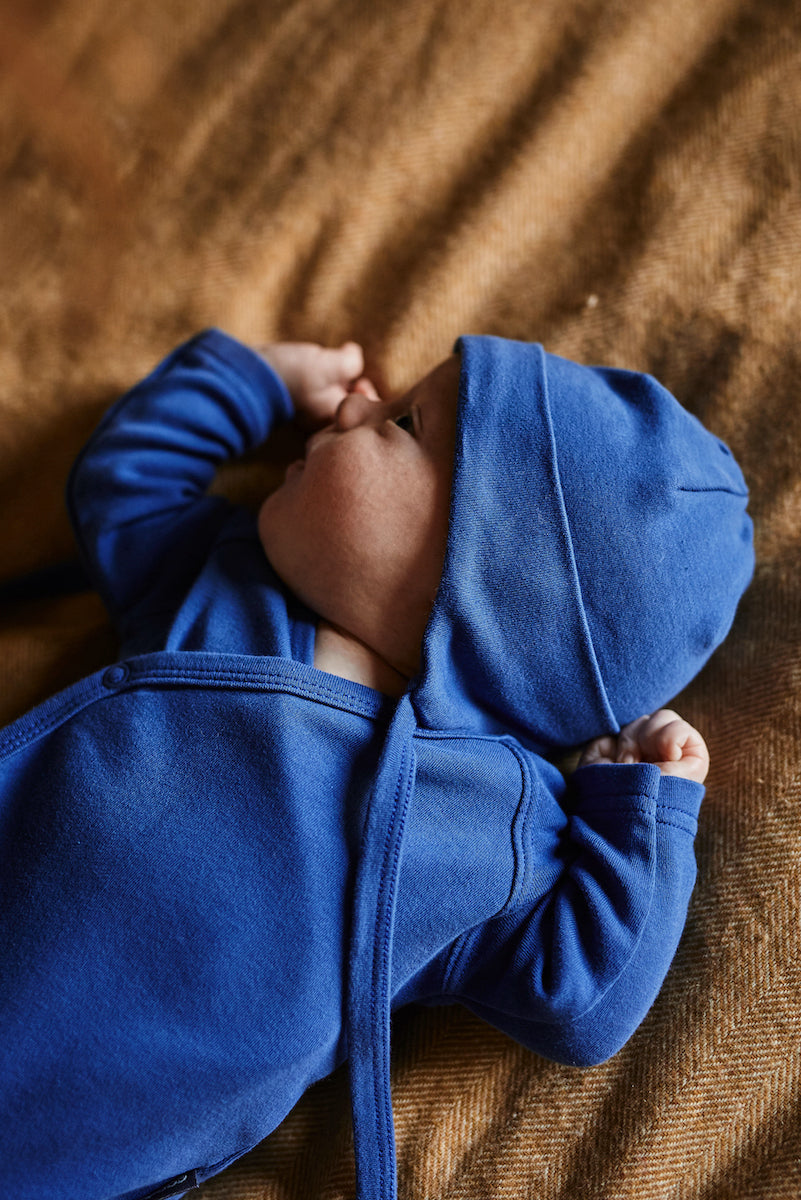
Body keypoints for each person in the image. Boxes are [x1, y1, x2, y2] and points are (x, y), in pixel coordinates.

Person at [0, 330, 753, 1200]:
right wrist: (252, 384)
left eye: (403, 420)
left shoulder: (495, 820)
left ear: (494, 568)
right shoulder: (224, 582)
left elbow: (583, 1002)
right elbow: (122, 484)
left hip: (73, 1157)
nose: (357, 405)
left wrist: (642, 809)